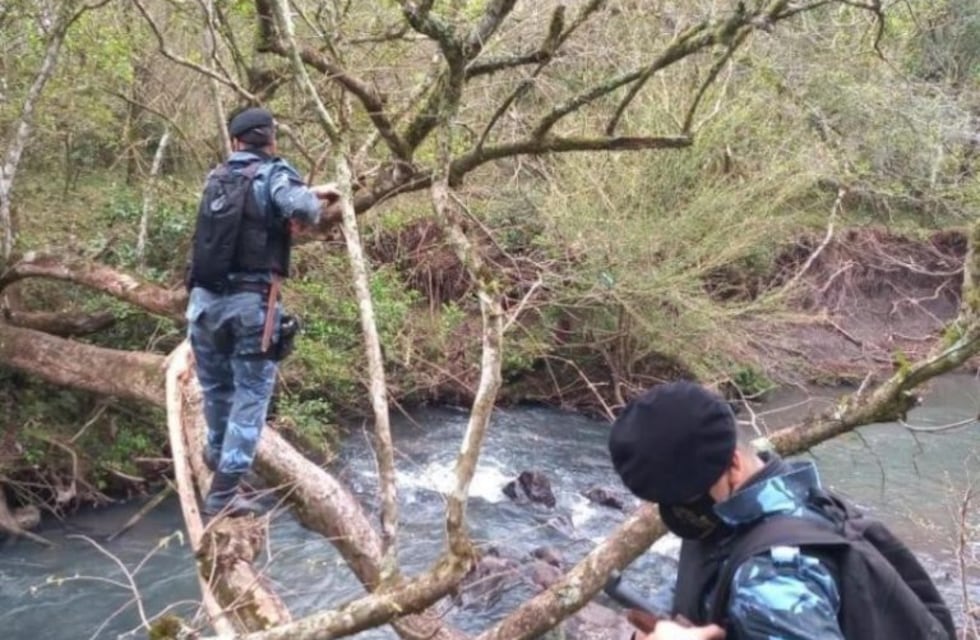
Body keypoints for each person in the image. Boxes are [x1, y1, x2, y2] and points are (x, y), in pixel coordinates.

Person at [607, 380, 955, 640]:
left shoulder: (776, 577)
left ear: (731, 464)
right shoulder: (770, 508)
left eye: (686, 495)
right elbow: (697, 588)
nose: (680, 510)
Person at [185, 106, 339, 518]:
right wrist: (314, 196)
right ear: (270, 140)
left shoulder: (215, 178)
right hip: (250, 308)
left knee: (218, 390)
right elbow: (303, 210)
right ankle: (224, 494)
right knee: (251, 396)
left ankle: (217, 456)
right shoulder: (274, 174)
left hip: (202, 306)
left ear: (236, 142)